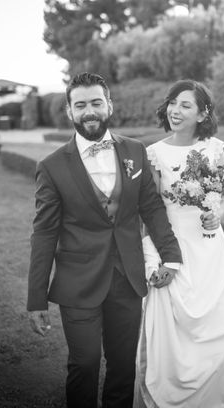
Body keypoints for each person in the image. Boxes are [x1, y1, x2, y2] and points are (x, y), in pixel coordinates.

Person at [27, 72, 182, 408]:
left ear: (109, 105)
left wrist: (171, 256)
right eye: (80, 105)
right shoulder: (51, 167)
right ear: (70, 112)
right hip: (78, 282)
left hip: (127, 278)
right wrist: (36, 297)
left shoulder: (134, 151)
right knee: (84, 365)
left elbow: (152, 208)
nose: (89, 111)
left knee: (123, 366)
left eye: (96, 102)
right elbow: (44, 233)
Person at [134, 80, 224, 407]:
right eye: (173, 103)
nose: (175, 110)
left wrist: (216, 214)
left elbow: (222, 197)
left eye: (185, 105)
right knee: (175, 338)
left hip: (210, 248)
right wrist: (154, 256)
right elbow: (152, 210)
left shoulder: (213, 148)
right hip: (173, 246)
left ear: (203, 113)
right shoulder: (155, 154)